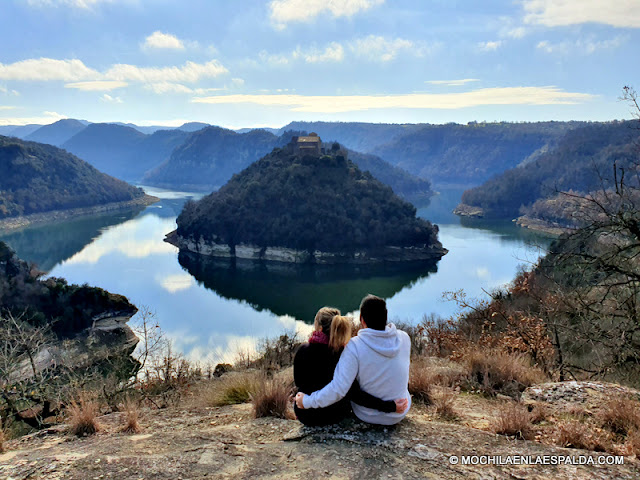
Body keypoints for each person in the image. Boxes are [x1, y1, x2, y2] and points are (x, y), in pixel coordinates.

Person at [296, 295, 411, 425]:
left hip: (368, 415)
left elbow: (339, 389)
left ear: (361, 319)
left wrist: (306, 401)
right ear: (385, 316)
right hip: (401, 410)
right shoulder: (404, 338)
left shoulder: (354, 346)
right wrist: (393, 406)